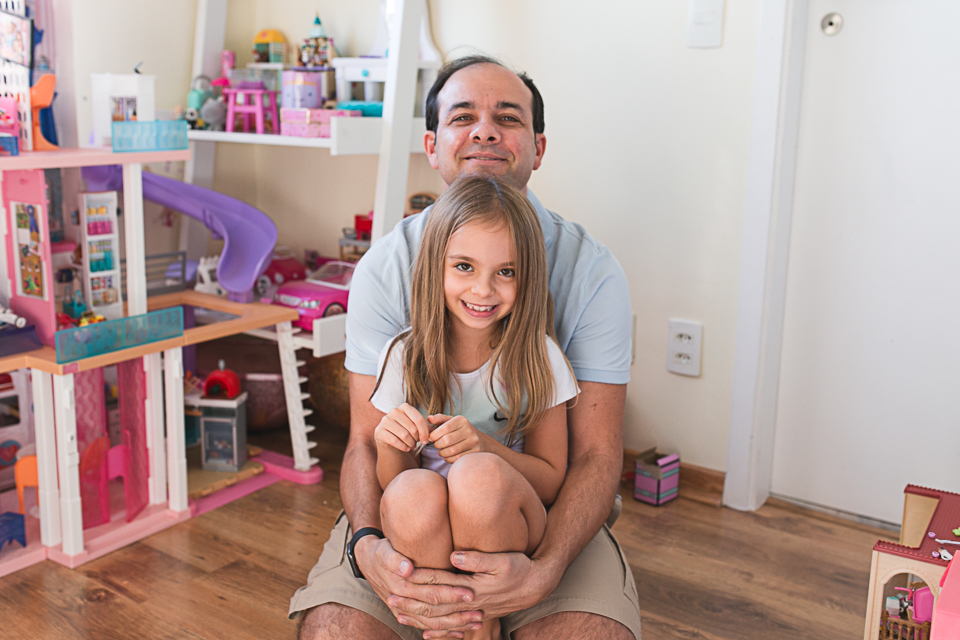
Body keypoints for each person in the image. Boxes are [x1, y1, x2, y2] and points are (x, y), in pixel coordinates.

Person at [290, 55, 641, 640]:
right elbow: (365, 446)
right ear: (431, 145)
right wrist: (369, 544)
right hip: (411, 516)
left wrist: (545, 569)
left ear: (538, 146)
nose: (484, 130)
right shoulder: (386, 274)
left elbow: (594, 459)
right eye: (463, 117)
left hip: (540, 516)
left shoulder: (590, 277)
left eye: (507, 117)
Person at [373, 175, 578, 640]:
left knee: (476, 476)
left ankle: (483, 620)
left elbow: (549, 480)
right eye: (464, 266)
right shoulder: (404, 356)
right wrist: (389, 444)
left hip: (508, 520)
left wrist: (484, 447)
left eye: (505, 271)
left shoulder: (538, 357)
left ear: (527, 277)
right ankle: (449, 621)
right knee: (409, 492)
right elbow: (393, 481)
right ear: (435, 267)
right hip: (427, 526)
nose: (483, 290)